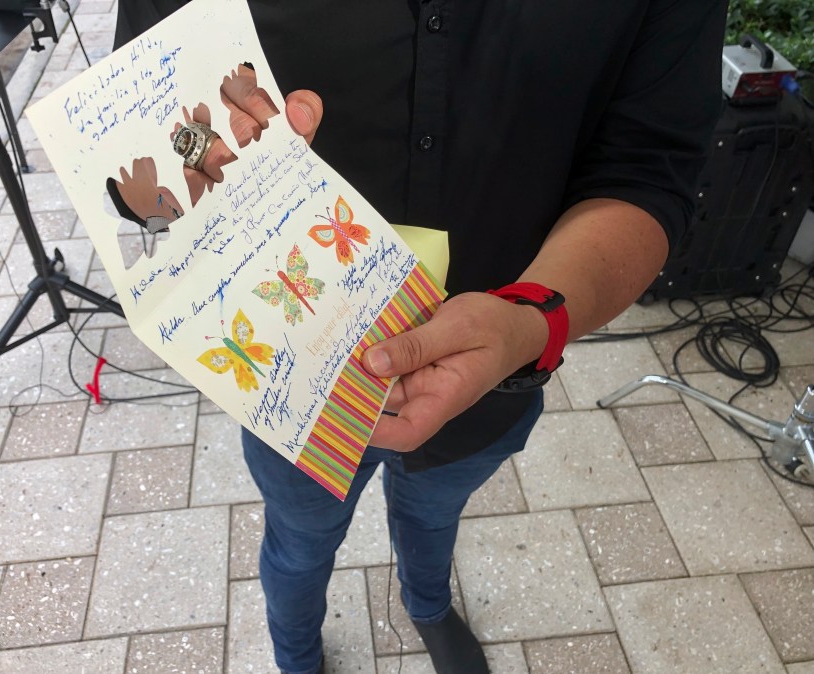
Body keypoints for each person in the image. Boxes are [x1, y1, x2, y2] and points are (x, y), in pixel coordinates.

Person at [114, 2, 728, 673]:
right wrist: (216, 179)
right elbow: (134, 137)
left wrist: (532, 318)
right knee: (298, 544)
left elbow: (647, 170)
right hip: (291, 385)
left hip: (497, 375)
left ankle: (427, 602)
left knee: (434, 516)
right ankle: (296, 657)